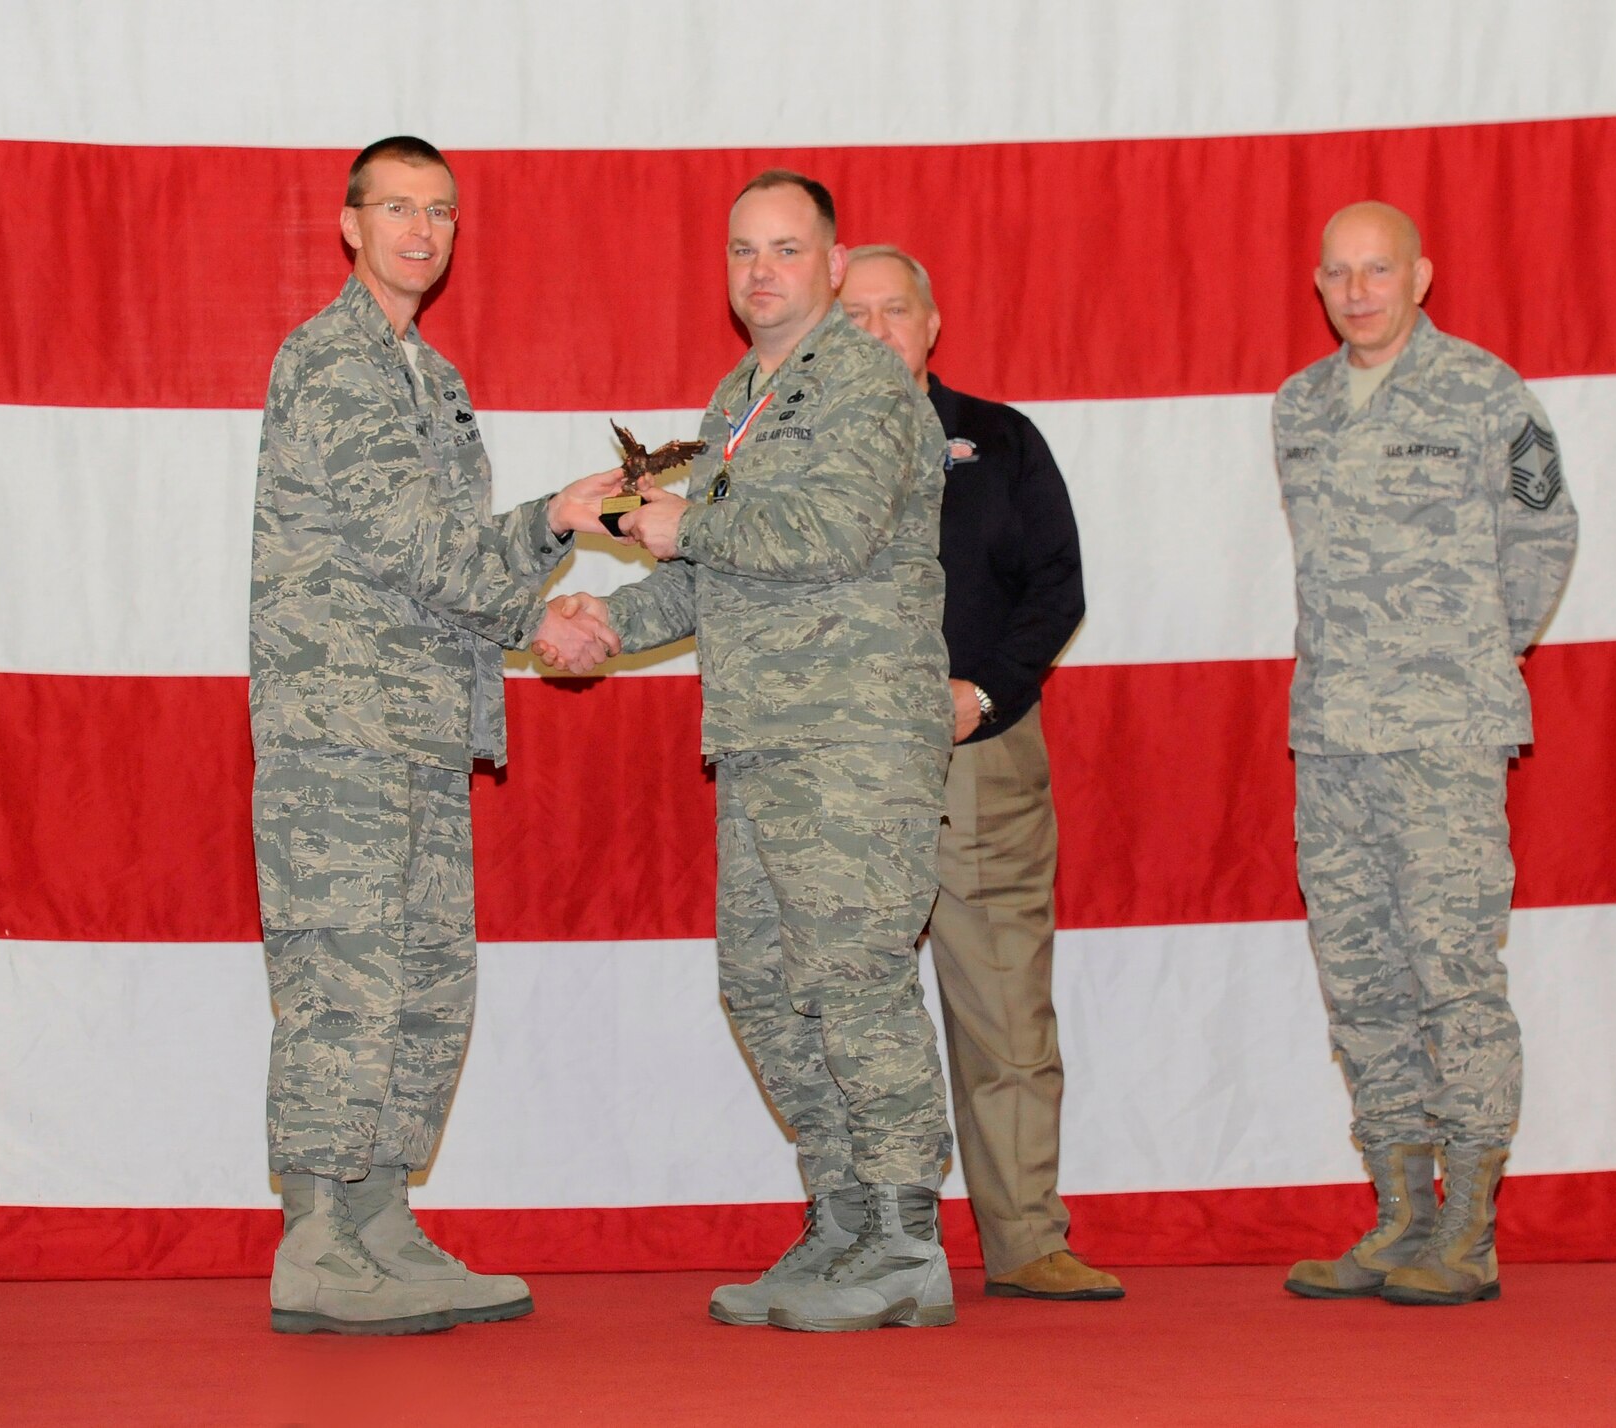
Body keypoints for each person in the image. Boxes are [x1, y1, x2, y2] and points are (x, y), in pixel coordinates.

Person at [553, 172, 956, 1333]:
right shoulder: (742, 395)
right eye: (743, 251)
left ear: (833, 266)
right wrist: (597, 626)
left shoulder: (866, 384)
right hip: (764, 734)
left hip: (852, 734)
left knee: (851, 979)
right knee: (767, 987)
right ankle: (839, 1224)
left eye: (786, 249)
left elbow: (825, 534)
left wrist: (684, 522)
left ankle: (903, 1245)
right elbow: (704, 572)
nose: (762, 271)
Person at [250, 135, 623, 1335]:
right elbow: (416, 546)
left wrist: (550, 532)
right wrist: (545, 586)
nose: (422, 229)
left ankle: (375, 1219)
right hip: (340, 730)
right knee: (344, 982)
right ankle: (313, 1239)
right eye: (398, 207)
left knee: (421, 985)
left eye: (442, 212)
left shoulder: (429, 373)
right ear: (348, 224)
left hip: (415, 726)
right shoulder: (334, 362)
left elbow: (443, 553)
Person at [1274, 202, 1578, 1306]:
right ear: (1317, 284)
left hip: (1441, 737)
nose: (1359, 291)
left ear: (1420, 276)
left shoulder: (1484, 393)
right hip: (1330, 735)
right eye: (1340, 274)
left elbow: (1542, 531)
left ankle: (1468, 1226)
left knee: (1453, 975)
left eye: (1379, 270)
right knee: (1360, 980)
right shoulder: (1298, 405)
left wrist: (1466, 657)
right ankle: (1398, 1212)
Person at [838, 245, 1123, 1302]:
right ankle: (861, 1234)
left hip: (973, 756)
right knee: (840, 1009)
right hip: (840, 768)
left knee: (1004, 1006)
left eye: (892, 311)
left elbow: (1057, 586)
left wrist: (985, 694)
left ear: (932, 319)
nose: (874, 332)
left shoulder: (999, 440)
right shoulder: (788, 446)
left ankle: (1024, 1238)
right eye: (852, 314)